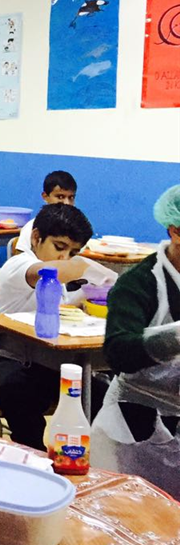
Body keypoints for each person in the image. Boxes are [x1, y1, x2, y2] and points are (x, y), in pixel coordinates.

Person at [0, 203, 95, 450]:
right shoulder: (19, 264)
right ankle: (32, 457)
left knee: (97, 392)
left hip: (40, 361)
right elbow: (48, 272)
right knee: (21, 393)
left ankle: (88, 459)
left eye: (73, 252)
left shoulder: (60, 279)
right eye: (59, 247)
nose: (64, 258)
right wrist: (89, 268)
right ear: (36, 238)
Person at [91, 185, 180, 499]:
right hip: (133, 427)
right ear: (176, 231)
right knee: (126, 512)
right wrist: (175, 337)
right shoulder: (139, 283)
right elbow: (119, 351)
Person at [14, 170, 77, 254]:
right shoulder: (31, 227)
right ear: (45, 196)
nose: (67, 203)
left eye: (71, 198)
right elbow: (20, 258)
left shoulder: (76, 227)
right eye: (60, 197)